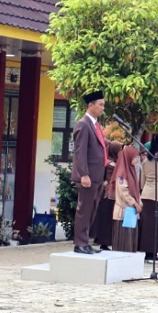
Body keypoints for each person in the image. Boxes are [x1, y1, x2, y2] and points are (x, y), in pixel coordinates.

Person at [70, 91, 108, 254]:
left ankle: (85, 242)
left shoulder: (95, 125)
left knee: (91, 210)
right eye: (100, 104)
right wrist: (84, 174)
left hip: (97, 176)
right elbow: (80, 152)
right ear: (90, 105)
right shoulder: (83, 124)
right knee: (84, 209)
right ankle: (80, 244)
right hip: (88, 176)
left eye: (103, 105)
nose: (102, 108)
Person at [110, 146, 142, 252]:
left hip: (131, 211)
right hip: (124, 212)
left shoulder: (131, 171)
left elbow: (136, 191)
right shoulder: (122, 173)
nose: (137, 159)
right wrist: (135, 203)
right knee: (123, 240)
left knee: (130, 239)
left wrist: (139, 202)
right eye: (135, 156)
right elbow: (124, 193)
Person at [93, 141, 123, 251]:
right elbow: (109, 179)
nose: (121, 153)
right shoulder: (110, 164)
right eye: (120, 150)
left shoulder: (114, 163)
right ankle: (104, 243)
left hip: (112, 195)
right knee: (106, 220)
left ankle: (106, 242)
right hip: (108, 195)